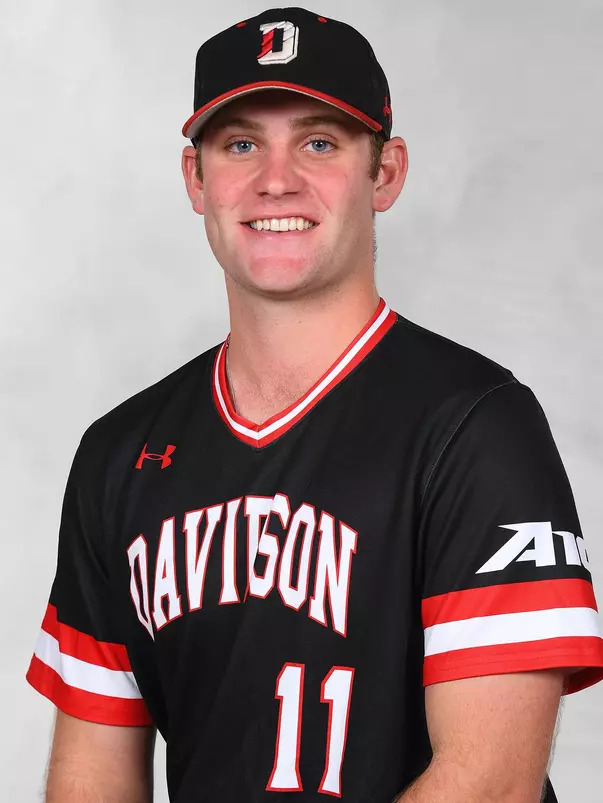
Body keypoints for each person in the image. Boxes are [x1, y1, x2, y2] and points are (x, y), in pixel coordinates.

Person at [26, 7, 603, 802]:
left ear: (386, 172)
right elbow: (91, 776)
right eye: (239, 145)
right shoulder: (119, 453)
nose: (276, 178)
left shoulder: (476, 426)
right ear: (196, 179)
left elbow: (488, 782)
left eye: (319, 142)